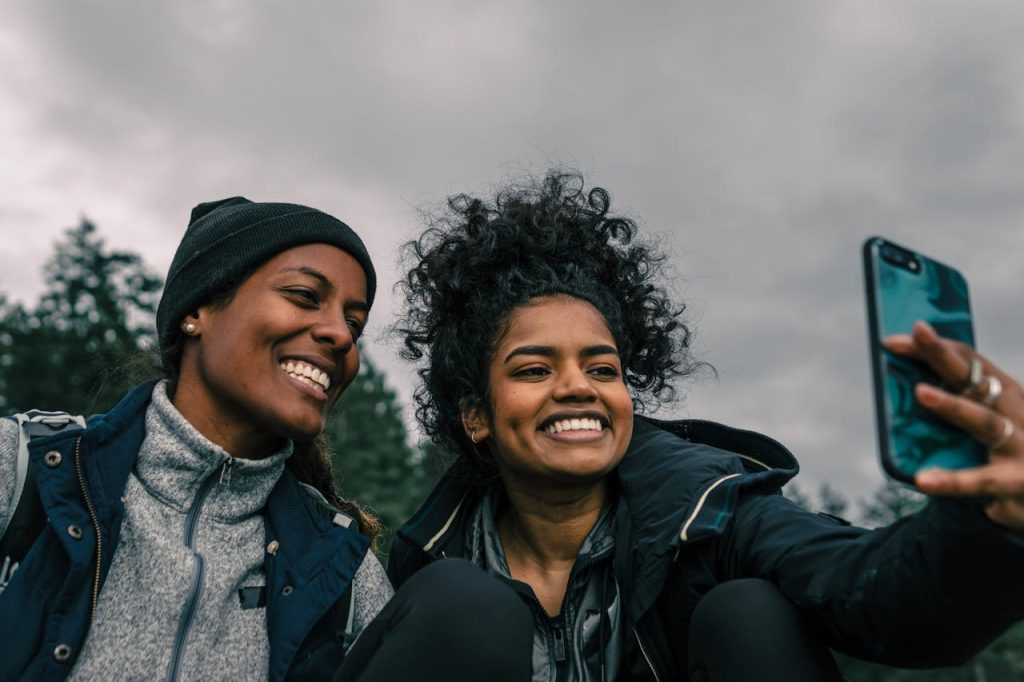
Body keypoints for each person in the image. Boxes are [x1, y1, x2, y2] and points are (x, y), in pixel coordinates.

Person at [389, 170, 1024, 682]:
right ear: (476, 416)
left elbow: (880, 596)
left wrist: (992, 522)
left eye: (602, 368)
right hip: (450, 598)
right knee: (456, 602)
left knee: (747, 613)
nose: (578, 386)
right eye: (533, 370)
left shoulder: (712, 513)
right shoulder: (430, 562)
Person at [0, 197, 532, 682]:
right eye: (305, 296)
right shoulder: (21, 472)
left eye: (355, 322)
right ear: (197, 311)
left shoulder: (344, 575)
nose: (342, 335)